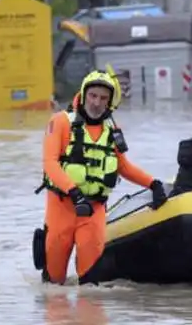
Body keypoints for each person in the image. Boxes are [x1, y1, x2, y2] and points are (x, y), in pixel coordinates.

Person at [33, 70, 168, 285]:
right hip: (62, 208)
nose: (97, 103)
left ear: (110, 102)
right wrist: (74, 193)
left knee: (91, 286)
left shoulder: (112, 129)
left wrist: (153, 184)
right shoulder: (60, 122)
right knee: (53, 284)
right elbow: (50, 164)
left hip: (93, 210)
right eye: (93, 96)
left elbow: (123, 166)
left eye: (103, 98)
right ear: (84, 94)